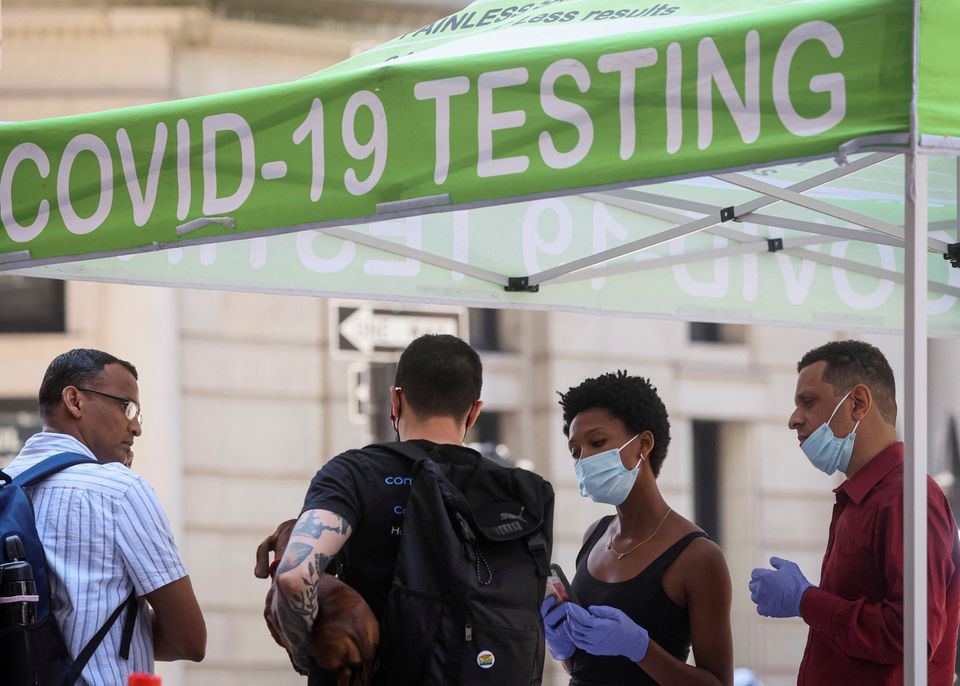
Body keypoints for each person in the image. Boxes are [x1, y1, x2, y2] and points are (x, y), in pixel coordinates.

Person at [264, 334, 489, 683]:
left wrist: (307, 655)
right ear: (474, 411)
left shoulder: (353, 473)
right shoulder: (511, 491)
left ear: (396, 401)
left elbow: (294, 576)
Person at [749, 339, 960, 685]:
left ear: (858, 403)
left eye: (808, 402)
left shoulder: (907, 497)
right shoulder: (866, 498)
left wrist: (806, 600)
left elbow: (910, 636)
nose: (794, 419)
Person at [4, 348, 206, 684]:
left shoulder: (5, 487)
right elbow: (189, 639)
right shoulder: (119, 490)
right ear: (75, 401)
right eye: (126, 406)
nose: (135, 427)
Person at [543, 370, 733, 685]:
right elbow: (589, 667)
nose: (584, 459)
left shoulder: (697, 557)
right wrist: (564, 649)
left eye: (597, 442)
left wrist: (641, 648)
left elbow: (718, 683)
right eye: (576, 452)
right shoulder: (595, 535)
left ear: (643, 444)